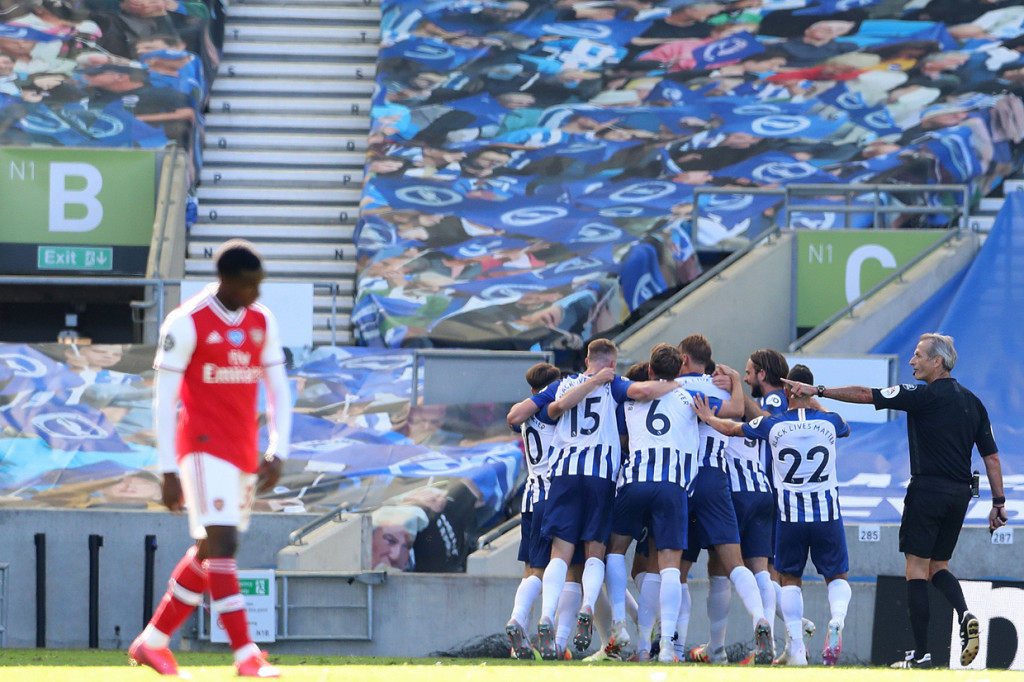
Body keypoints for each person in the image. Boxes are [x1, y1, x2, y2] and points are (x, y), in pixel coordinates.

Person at [785, 333, 1006, 670]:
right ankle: (965, 613)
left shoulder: (921, 395)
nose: (912, 361)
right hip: (960, 494)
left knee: (916, 570)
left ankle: (921, 655)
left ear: (937, 362)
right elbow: (992, 458)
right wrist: (998, 503)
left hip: (927, 490)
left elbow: (865, 395)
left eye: (918, 355)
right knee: (938, 567)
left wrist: (819, 391)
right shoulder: (973, 402)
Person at [128, 240, 291, 678]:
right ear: (225, 280)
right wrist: (167, 469)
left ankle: (153, 642)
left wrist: (278, 449)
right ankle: (246, 655)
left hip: (242, 451)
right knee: (224, 543)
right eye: (249, 284)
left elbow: (278, 389)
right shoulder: (186, 321)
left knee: (208, 550)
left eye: (259, 284)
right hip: (201, 447)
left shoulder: (262, 320)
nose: (256, 292)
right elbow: (164, 401)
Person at [506, 338, 681, 659]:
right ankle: (588, 608)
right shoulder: (614, 384)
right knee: (595, 554)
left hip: (561, 478)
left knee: (558, 556)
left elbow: (546, 411)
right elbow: (644, 392)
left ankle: (546, 618)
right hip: (600, 478)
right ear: (611, 363)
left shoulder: (562, 385)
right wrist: (681, 384)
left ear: (586, 360)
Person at [697, 364, 853, 666]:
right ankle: (837, 620)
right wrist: (814, 399)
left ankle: (796, 650)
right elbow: (845, 425)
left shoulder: (773, 424)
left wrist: (708, 417)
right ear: (809, 389)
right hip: (827, 514)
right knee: (836, 576)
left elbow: (731, 428)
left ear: (786, 391)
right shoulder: (831, 421)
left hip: (791, 516)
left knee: (790, 579)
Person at [674, 336, 771, 666]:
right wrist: (734, 382)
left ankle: (670, 648)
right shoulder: (724, 389)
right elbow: (739, 411)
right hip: (715, 480)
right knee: (732, 564)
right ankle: (757, 620)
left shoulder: (672, 387)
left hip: (681, 479)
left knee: (675, 569)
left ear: (684, 359)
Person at [505, 361, 562, 659]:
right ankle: (526, 622)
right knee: (555, 568)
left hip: (530, 495)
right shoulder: (554, 410)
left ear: (531, 389)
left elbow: (514, 417)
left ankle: (520, 641)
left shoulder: (526, 414)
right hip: (552, 496)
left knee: (529, 571)